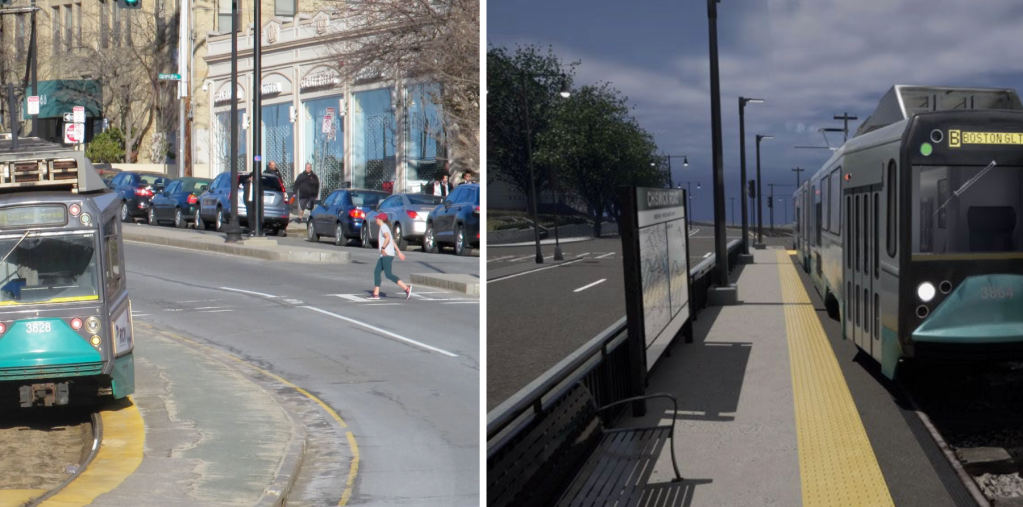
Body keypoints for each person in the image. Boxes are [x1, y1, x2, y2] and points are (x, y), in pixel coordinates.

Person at [367, 214, 412, 300]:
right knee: (377, 272)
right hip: (385, 254)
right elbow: (392, 241)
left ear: (381, 219)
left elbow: (387, 238)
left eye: (377, 218)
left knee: (388, 274)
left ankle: (406, 288)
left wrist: (383, 248)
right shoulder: (385, 227)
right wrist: (399, 252)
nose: (376, 219)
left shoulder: (383, 227)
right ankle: (375, 294)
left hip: (386, 254)